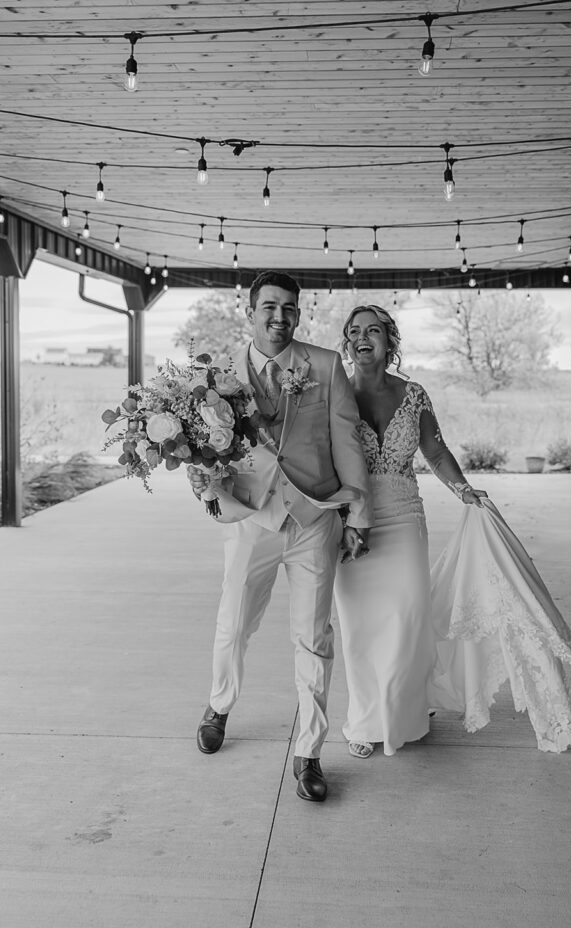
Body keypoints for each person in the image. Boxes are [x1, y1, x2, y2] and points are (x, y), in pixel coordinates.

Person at [334, 304, 571, 758]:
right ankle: (365, 723)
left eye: (373, 330)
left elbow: (436, 451)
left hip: (404, 518)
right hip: (353, 524)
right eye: (354, 331)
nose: (362, 337)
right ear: (347, 343)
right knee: (360, 627)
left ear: (390, 341)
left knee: (407, 619)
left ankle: (404, 711)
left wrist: (463, 489)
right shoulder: (335, 395)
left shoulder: (415, 394)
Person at [188, 271, 373, 803]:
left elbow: (348, 444)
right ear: (249, 312)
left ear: (299, 314)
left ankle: (309, 752)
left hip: (314, 519)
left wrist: (356, 515)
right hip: (252, 520)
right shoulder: (216, 378)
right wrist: (206, 491)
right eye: (270, 307)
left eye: (290, 309)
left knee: (314, 639)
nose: (280, 317)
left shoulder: (325, 366)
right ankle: (219, 706)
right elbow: (200, 453)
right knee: (233, 624)